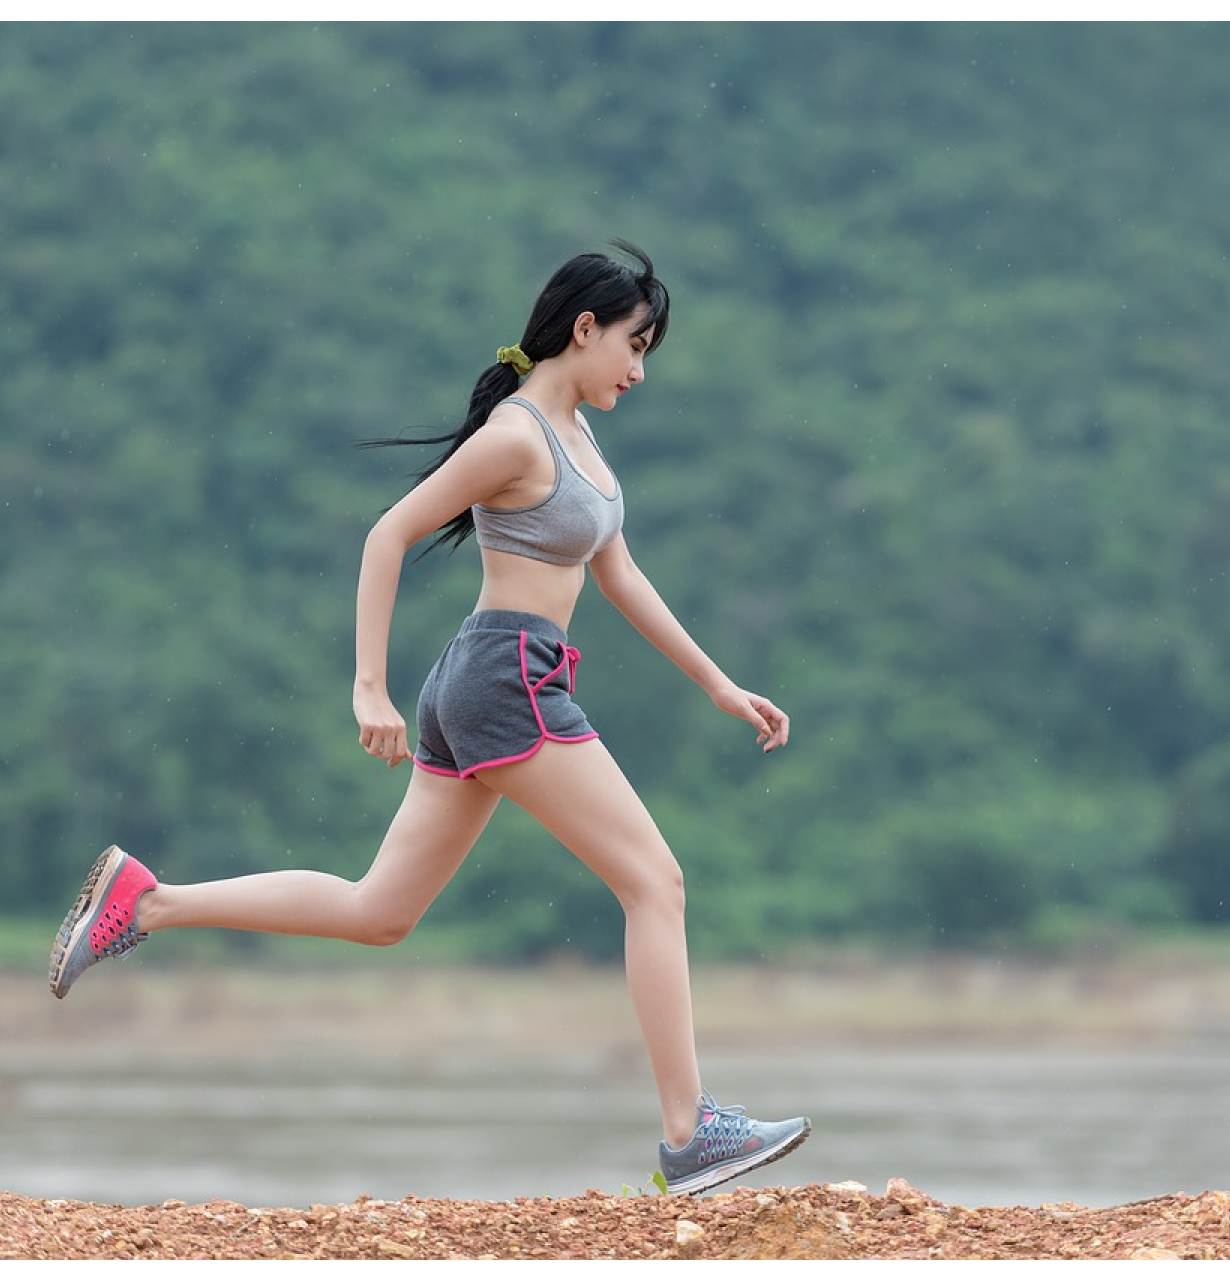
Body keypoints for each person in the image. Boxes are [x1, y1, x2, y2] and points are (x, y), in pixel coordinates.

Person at [47, 240, 810, 1196]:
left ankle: (147, 902)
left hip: (484, 683)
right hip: (507, 682)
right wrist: (366, 687)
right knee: (656, 883)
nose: (640, 368)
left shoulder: (577, 439)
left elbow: (617, 573)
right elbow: (389, 532)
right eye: (634, 344)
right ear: (585, 330)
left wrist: (717, 683)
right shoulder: (519, 435)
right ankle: (690, 1134)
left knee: (380, 913)